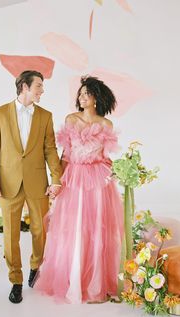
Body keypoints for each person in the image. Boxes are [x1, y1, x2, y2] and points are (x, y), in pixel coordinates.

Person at [34, 76, 124, 303]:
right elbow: (65, 155)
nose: (81, 97)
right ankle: (73, 280)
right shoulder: (71, 120)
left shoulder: (106, 125)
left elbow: (105, 159)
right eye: (80, 94)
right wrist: (57, 181)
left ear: (96, 98)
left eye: (86, 94)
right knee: (72, 228)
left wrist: (123, 170)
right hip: (74, 177)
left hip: (97, 181)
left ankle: (95, 284)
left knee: (96, 229)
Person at [0, 70, 62, 303]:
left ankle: (35, 266)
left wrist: (56, 178)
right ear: (24, 87)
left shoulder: (45, 116)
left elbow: (50, 149)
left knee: (41, 231)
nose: (42, 90)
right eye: (39, 86)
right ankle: (15, 280)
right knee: (11, 236)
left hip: (38, 182)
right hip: (8, 183)